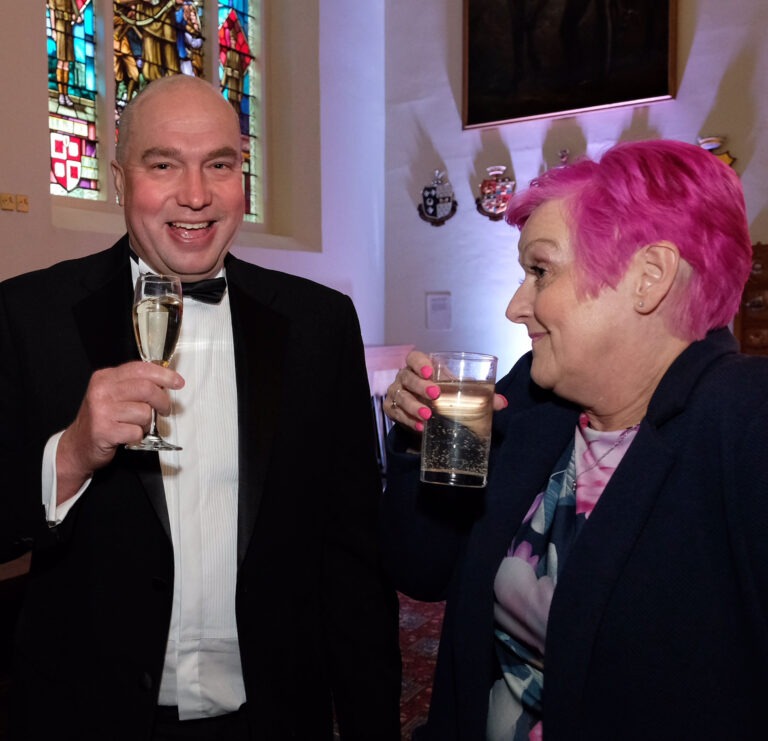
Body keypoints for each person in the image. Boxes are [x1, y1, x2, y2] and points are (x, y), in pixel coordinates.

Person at [0, 74, 400, 740]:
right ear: (120, 180)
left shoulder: (319, 325)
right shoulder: (28, 315)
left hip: (272, 718)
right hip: (90, 718)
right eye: (164, 165)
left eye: (219, 165)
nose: (195, 195)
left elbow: (353, 557)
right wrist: (69, 455)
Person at [380, 139, 768, 740]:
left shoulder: (747, 421)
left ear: (649, 277)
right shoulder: (530, 399)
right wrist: (416, 440)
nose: (516, 307)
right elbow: (421, 569)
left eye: (540, 271)